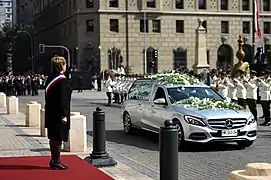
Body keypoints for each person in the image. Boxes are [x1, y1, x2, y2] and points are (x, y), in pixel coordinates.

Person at [45, 55, 72, 170]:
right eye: (65, 64)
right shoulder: (62, 80)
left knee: (53, 137)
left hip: (50, 112)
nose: (66, 66)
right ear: (62, 65)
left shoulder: (50, 78)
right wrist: (64, 115)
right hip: (58, 114)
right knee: (58, 137)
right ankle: (56, 161)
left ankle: (54, 160)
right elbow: (63, 100)